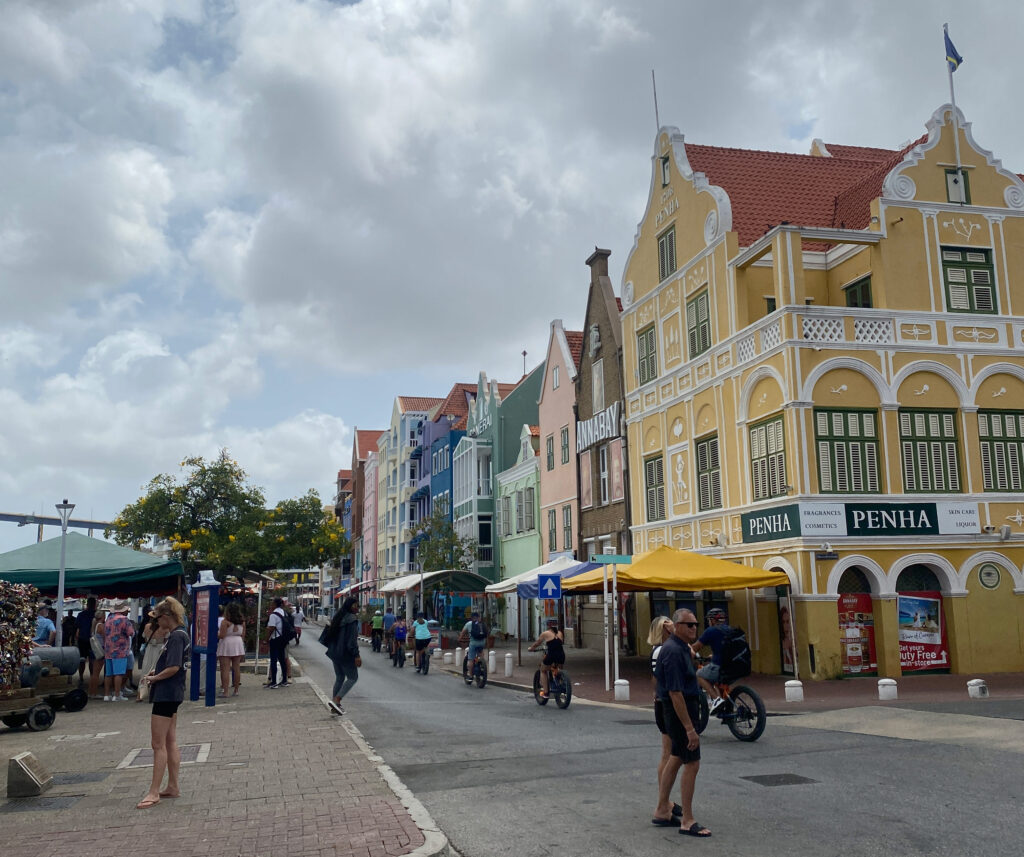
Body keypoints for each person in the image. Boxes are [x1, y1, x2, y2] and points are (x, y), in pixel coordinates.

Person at [654, 608, 710, 838]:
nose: (694, 628)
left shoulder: (680, 649)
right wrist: (689, 728)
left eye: (695, 624)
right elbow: (675, 693)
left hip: (680, 707)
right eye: (689, 624)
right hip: (680, 710)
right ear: (676, 627)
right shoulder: (674, 651)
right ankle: (687, 819)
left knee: (676, 758)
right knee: (692, 763)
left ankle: (661, 809)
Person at [136, 597, 190, 809]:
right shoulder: (180, 635)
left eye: (158, 618)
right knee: (169, 740)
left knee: (158, 744)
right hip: (173, 692)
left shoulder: (175, 637)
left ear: (166, 617)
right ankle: (173, 786)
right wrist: (156, 672)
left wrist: (154, 678)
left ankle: (153, 791)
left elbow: (174, 667)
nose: (157, 623)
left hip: (166, 693)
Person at [648, 616, 683, 826]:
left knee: (666, 754)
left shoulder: (657, 651)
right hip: (667, 704)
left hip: (661, 701)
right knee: (670, 755)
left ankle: (666, 801)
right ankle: (664, 803)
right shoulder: (664, 650)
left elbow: (655, 679)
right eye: (669, 624)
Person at [326, 596, 361, 714]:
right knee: (352, 678)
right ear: (351, 606)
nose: (358, 608)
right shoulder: (352, 619)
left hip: (334, 652)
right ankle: (337, 699)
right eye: (357, 605)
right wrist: (356, 655)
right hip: (345, 653)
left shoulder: (338, 617)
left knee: (340, 677)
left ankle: (335, 705)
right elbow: (352, 641)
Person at [691, 607, 729, 714]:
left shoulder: (711, 631)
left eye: (709, 620)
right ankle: (726, 703)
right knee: (715, 677)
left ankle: (716, 699)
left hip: (720, 666)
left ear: (712, 620)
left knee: (699, 675)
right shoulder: (731, 630)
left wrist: (685, 651)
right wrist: (715, 655)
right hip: (736, 666)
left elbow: (695, 647)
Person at [103, 600, 135, 701]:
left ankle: (106, 695)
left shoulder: (109, 618)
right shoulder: (124, 619)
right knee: (119, 673)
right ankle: (117, 695)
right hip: (120, 649)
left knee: (108, 674)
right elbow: (131, 633)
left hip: (108, 649)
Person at [527, 617, 565, 699]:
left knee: (543, 670)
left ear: (548, 625)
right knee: (557, 668)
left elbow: (537, 643)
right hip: (561, 655)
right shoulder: (560, 633)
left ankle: (546, 692)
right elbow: (558, 643)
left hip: (552, 655)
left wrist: (531, 648)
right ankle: (560, 681)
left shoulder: (545, 633)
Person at [137, 610, 168, 703]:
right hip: (159, 650)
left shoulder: (147, 627)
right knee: (158, 671)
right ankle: (156, 694)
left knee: (145, 671)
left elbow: (144, 638)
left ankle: (140, 694)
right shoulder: (165, 629)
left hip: (149, 649)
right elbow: (166, 641)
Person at [217, 601, 246, 697]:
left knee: (225, 669)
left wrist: (216, 634)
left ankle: (225, 691)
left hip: (226, 643)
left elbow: (222, 635)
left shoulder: (225, 622)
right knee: (236, 668)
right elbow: (243, 635)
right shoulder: (242, 622)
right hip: (238, 643)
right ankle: (236, 690)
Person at [264, 597, 291, 688]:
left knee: (274, 660)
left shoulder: (274, 615)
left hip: (275, 638)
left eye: (272, 603)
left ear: (275, 604)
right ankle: (284, 680)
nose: (271, 604)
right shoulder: (284, 613)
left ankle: (274, 681)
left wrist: (266, 639)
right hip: (283, 638)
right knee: (282, 659)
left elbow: (271, 628)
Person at [76, 597, 98, 683]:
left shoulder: (81, 614)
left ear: (87, 604)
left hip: (82, 639)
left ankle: (81, 677)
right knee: (92, 660)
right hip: (93, 639)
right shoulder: (97, 615)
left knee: (82, 659)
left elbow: (77, 626)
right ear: (95, 605)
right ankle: (92, 676)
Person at [461, 611, 488, 676]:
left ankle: (470, 676)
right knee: (480, 654)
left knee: (471, 659)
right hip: (482, 643)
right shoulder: (482, 623)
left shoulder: (469, 624)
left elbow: (463, 632)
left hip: (473, 643)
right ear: (479, 617)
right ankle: (482, 664)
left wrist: (460, 638)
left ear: (472, 618)